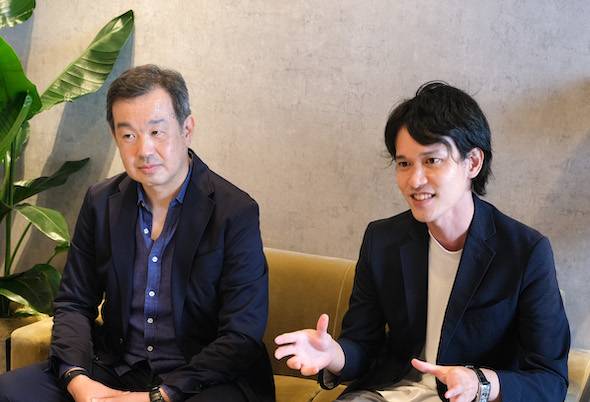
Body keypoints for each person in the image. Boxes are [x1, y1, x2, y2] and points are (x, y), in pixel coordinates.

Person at [274, 82, 570, 402]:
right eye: (404, 164)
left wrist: (481, 383)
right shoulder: (382, 240)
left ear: (473, 162)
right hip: (388, 393)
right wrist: (333, 354)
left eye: (432, 161)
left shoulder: (525, 252)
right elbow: (362, 345)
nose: (415, 180)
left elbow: (550, 380)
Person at [0, 65, 275, 402]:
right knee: (9, 392)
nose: (143, 150)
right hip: (119, 367)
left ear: (187, 128)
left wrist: (158, 396)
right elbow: (74, 302)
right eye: (128, 135)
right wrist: (78, 380)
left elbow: (241, 335)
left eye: (157, 132)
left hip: (202, 379)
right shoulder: (101, 201)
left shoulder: (235, 211)